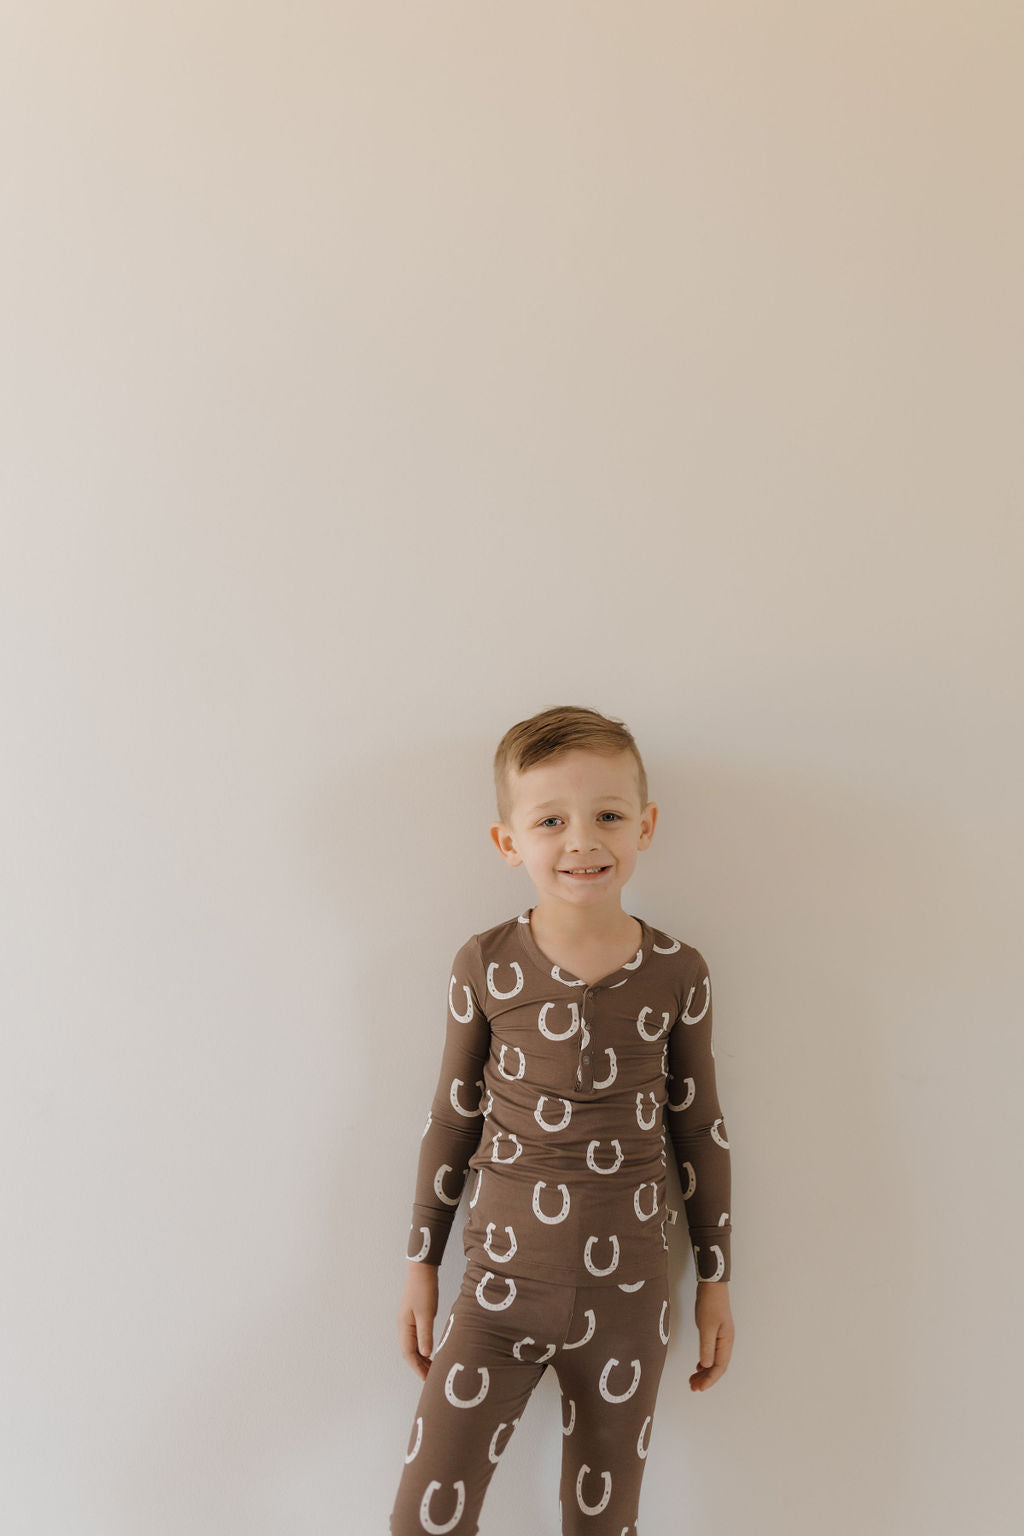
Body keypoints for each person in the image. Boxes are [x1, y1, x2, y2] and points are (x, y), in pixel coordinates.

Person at [389, 704, 735, 1536]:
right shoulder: (485, 963)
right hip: (499, 1293)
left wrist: (716, 1279)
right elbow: (452, 1118)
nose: (582, 841)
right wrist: (421, 1261)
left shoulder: (678, 972)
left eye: (608, 816)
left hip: (630, 1302)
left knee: (603, 1523)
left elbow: (698, 1129)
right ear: (510, 842)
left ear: (644, 826)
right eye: (551, 820)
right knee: (424, 1519)